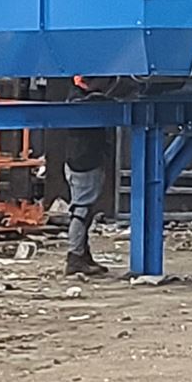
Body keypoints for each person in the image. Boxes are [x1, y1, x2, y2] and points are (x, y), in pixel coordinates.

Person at [63, 77, 115, 276]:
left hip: (82, 158)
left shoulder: (81, 98)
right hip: (85, 159)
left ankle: (82, 255)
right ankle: (75, 256)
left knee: (85, 209)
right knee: (82, 210)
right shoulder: (81, 101)